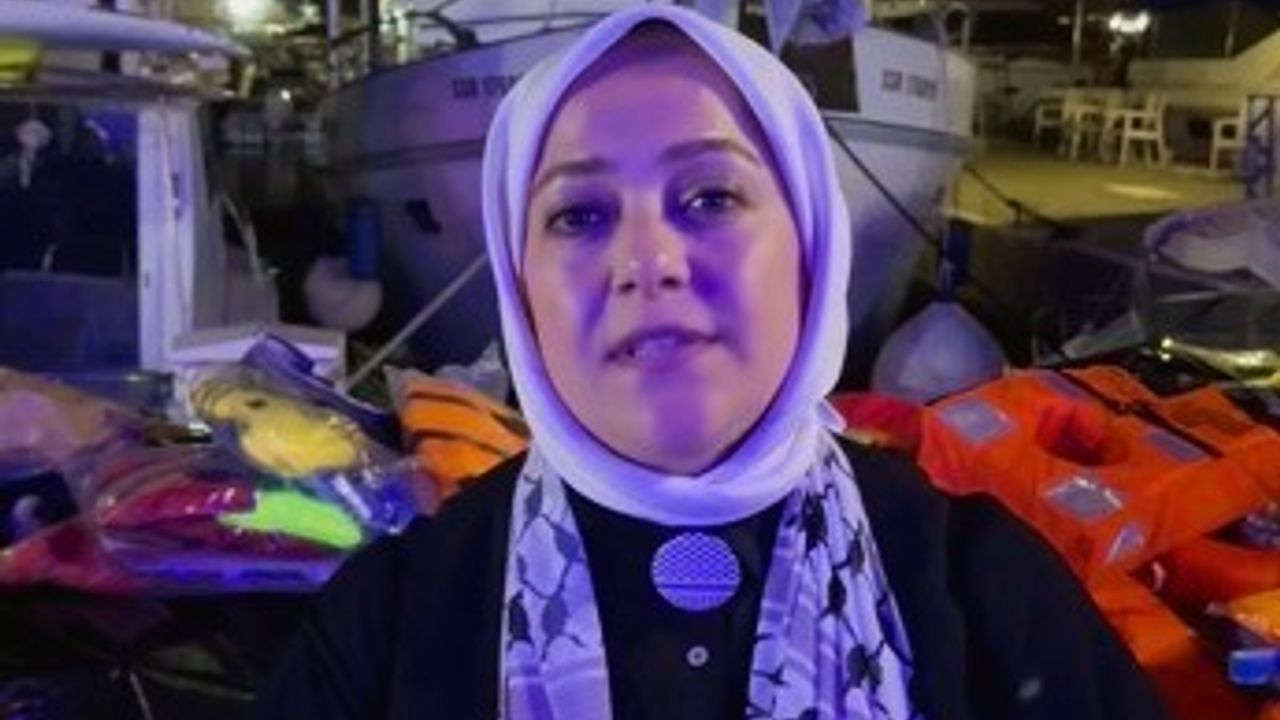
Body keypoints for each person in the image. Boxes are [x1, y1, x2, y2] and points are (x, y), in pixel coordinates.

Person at [250, 6, 1167, 719]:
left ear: (812, 246)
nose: (648, 260)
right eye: (579, 215)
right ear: (521, 288)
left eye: (710, 198)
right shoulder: (394, 618)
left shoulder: (985, 592)